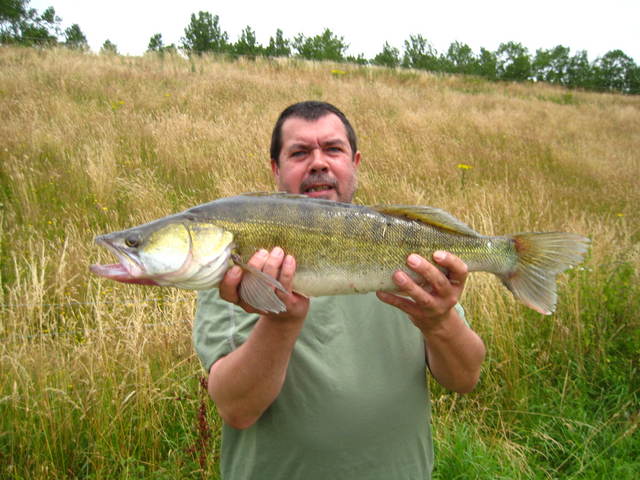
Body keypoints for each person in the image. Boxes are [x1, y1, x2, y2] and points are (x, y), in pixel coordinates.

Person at [193, 101, 486, 479]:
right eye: (299, 153)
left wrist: (439, 320)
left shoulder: (404, 246)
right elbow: (238, 408)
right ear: (275, 169)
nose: (318, 162)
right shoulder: (239, 266)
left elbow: (465, 378)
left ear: (355, 162)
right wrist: (281, 322)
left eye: (333, 149)